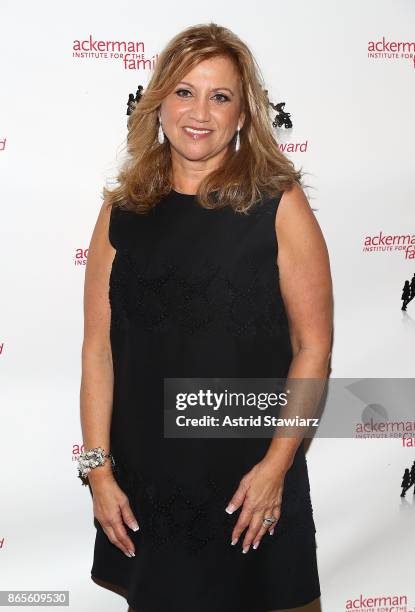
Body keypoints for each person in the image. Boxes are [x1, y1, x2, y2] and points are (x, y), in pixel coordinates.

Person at [79, 22, 333, 612]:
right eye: (184, 91)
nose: (200, 112)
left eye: (220, 96)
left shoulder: (278, 202)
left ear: (243, 114)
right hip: (149, 486)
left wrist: (276, 465)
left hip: (252, 478)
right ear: (159, 103)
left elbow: (313, 347)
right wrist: (99, 472)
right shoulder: (122, 212)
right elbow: (99, 350)